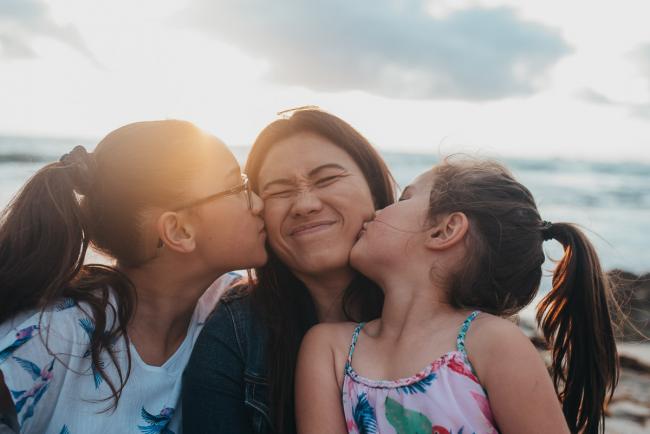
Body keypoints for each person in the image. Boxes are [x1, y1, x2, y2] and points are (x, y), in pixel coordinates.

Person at [296, 157, 619, 434]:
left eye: (403, 199)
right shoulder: (329, 348)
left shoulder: (492, 343)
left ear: (445, 230)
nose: (378, 211)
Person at [0, 120, 268, 433]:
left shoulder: (228, 314)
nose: (259, 202)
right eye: (238, 188)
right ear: (179, 231)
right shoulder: (52, 336)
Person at [182, 108, 396, 433]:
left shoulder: (446, 305)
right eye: (280, 191)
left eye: (327, 179)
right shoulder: (237, 331)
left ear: (374, 188)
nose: (305, 204)